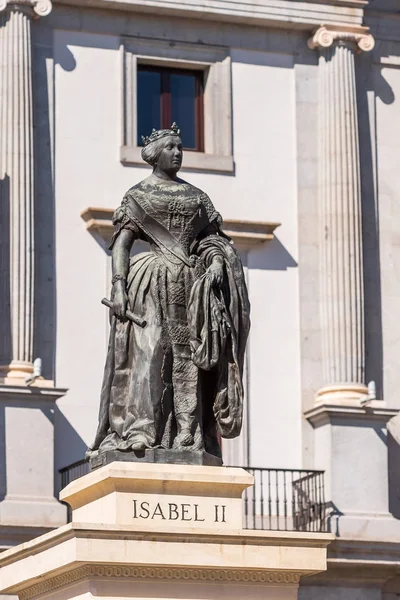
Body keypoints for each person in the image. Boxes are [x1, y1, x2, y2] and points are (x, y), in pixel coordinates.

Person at [87, 123, 250, 461]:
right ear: (154, 154)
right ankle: (138, 431)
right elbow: (122, 244)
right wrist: (118, 286)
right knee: (148, 354)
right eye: (171, 147)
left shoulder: (197, 197)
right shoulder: (137, 195)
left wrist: (217, 259)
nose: (177, 153)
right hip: (150, 281)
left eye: (180, 147)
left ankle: (187, 434)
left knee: (190, 357)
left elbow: (212, 239)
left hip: (192, 283)